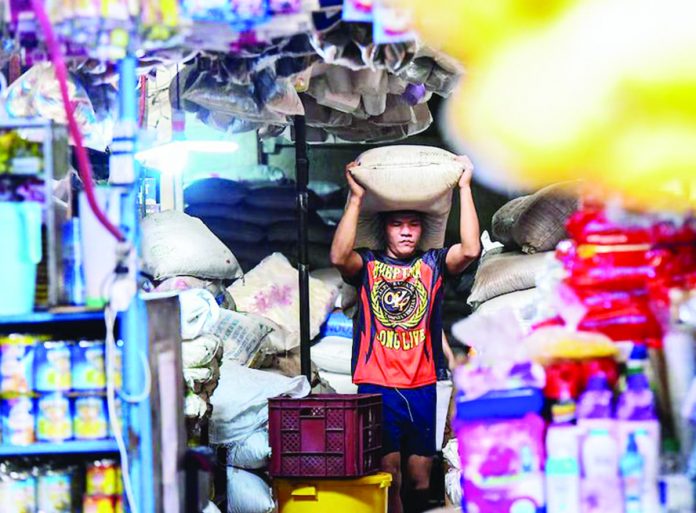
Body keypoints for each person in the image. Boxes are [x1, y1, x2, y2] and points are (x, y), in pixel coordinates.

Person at [330, 156, 480, 513]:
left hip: (423, 383)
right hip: (377, 385)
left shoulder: (433, 263)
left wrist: (465, 186)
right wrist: (355, 199)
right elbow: (338, 256)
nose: (406, 231)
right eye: (397, 225)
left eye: (413, 225)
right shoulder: (367, 264)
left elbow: (472, 250)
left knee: (420, 480)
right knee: (390, 476)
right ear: (386, 230)